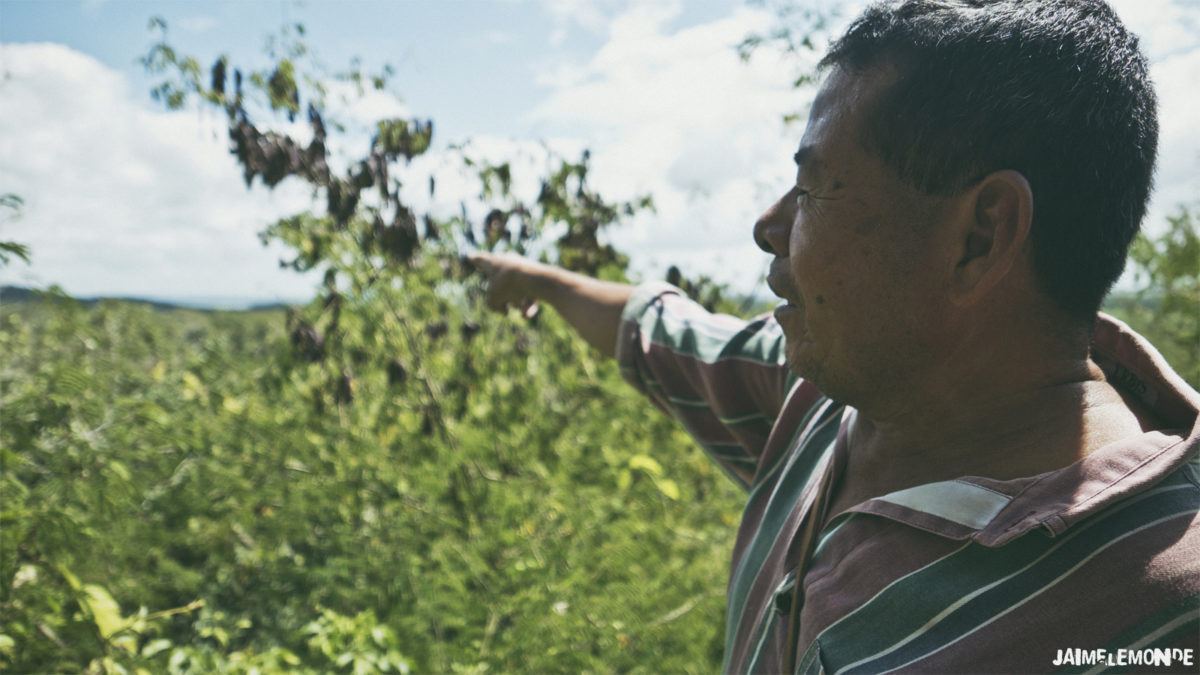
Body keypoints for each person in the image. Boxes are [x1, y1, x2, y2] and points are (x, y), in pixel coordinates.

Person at [470, 0, 1200, 672]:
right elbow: (663, 334)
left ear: (979, 237)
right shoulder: (825, 403)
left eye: (816, 187)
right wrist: (540, 281)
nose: (769, 226)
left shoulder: (1155, 609)